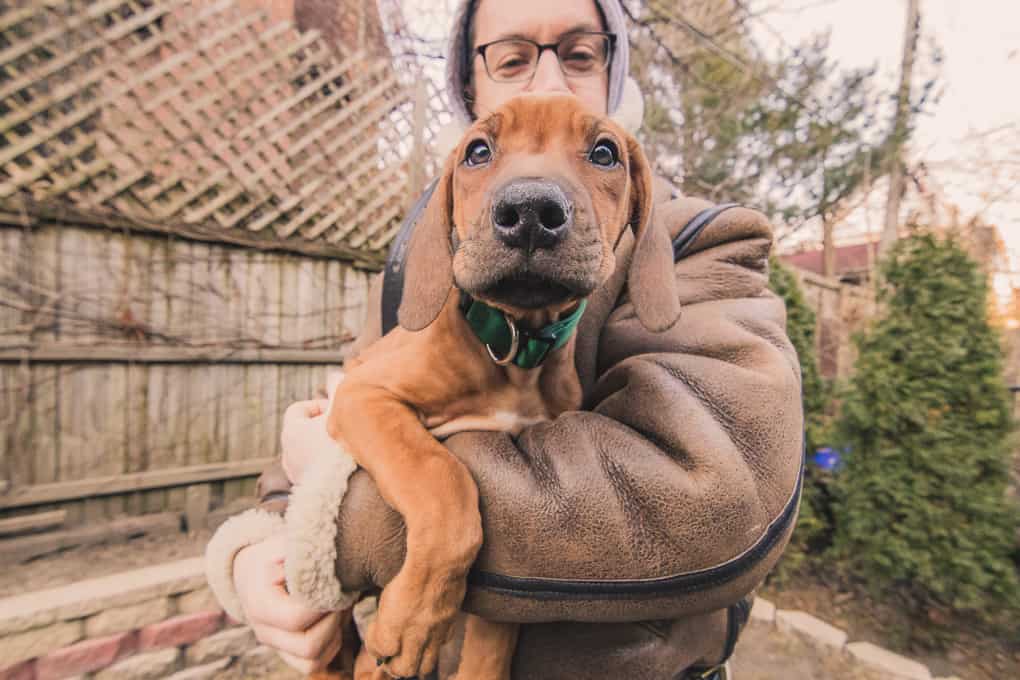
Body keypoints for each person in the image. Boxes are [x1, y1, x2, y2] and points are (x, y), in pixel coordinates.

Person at [204, 1, 804, 678]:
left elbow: (716, 500)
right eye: (512, 58)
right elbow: (329, 429)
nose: (545, 82)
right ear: (469, 91)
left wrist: (362, 515)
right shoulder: (420, 268)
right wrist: (264, 550)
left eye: (579, 55)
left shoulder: (705, 243)